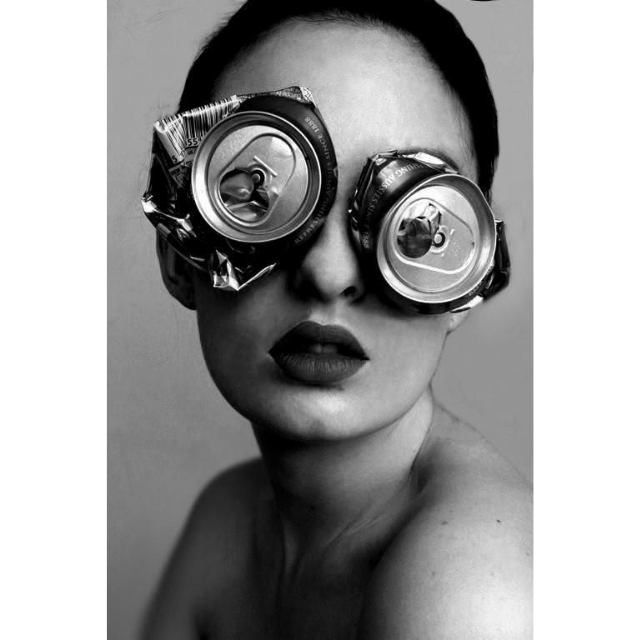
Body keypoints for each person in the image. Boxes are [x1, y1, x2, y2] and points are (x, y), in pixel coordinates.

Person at [141, 1, 533, 638]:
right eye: (258, 194)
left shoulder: (469, 591)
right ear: (179, 250)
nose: (328, 274)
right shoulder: (228, 517)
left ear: (467, 281)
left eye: (416, 225)